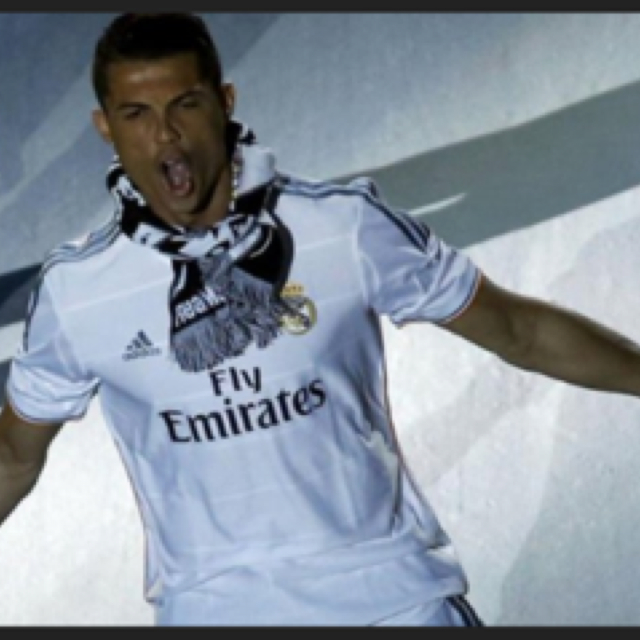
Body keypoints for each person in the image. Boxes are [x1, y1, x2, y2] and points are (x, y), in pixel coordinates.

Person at [2, 12, 640, 627]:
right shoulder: (79, 293)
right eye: (136, 114)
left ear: (224, 101)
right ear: (105, 127)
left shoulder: (341, 227)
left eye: (185, 105)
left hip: (396, 604)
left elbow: (520, 331)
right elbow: (13, 458)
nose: (165, 135)